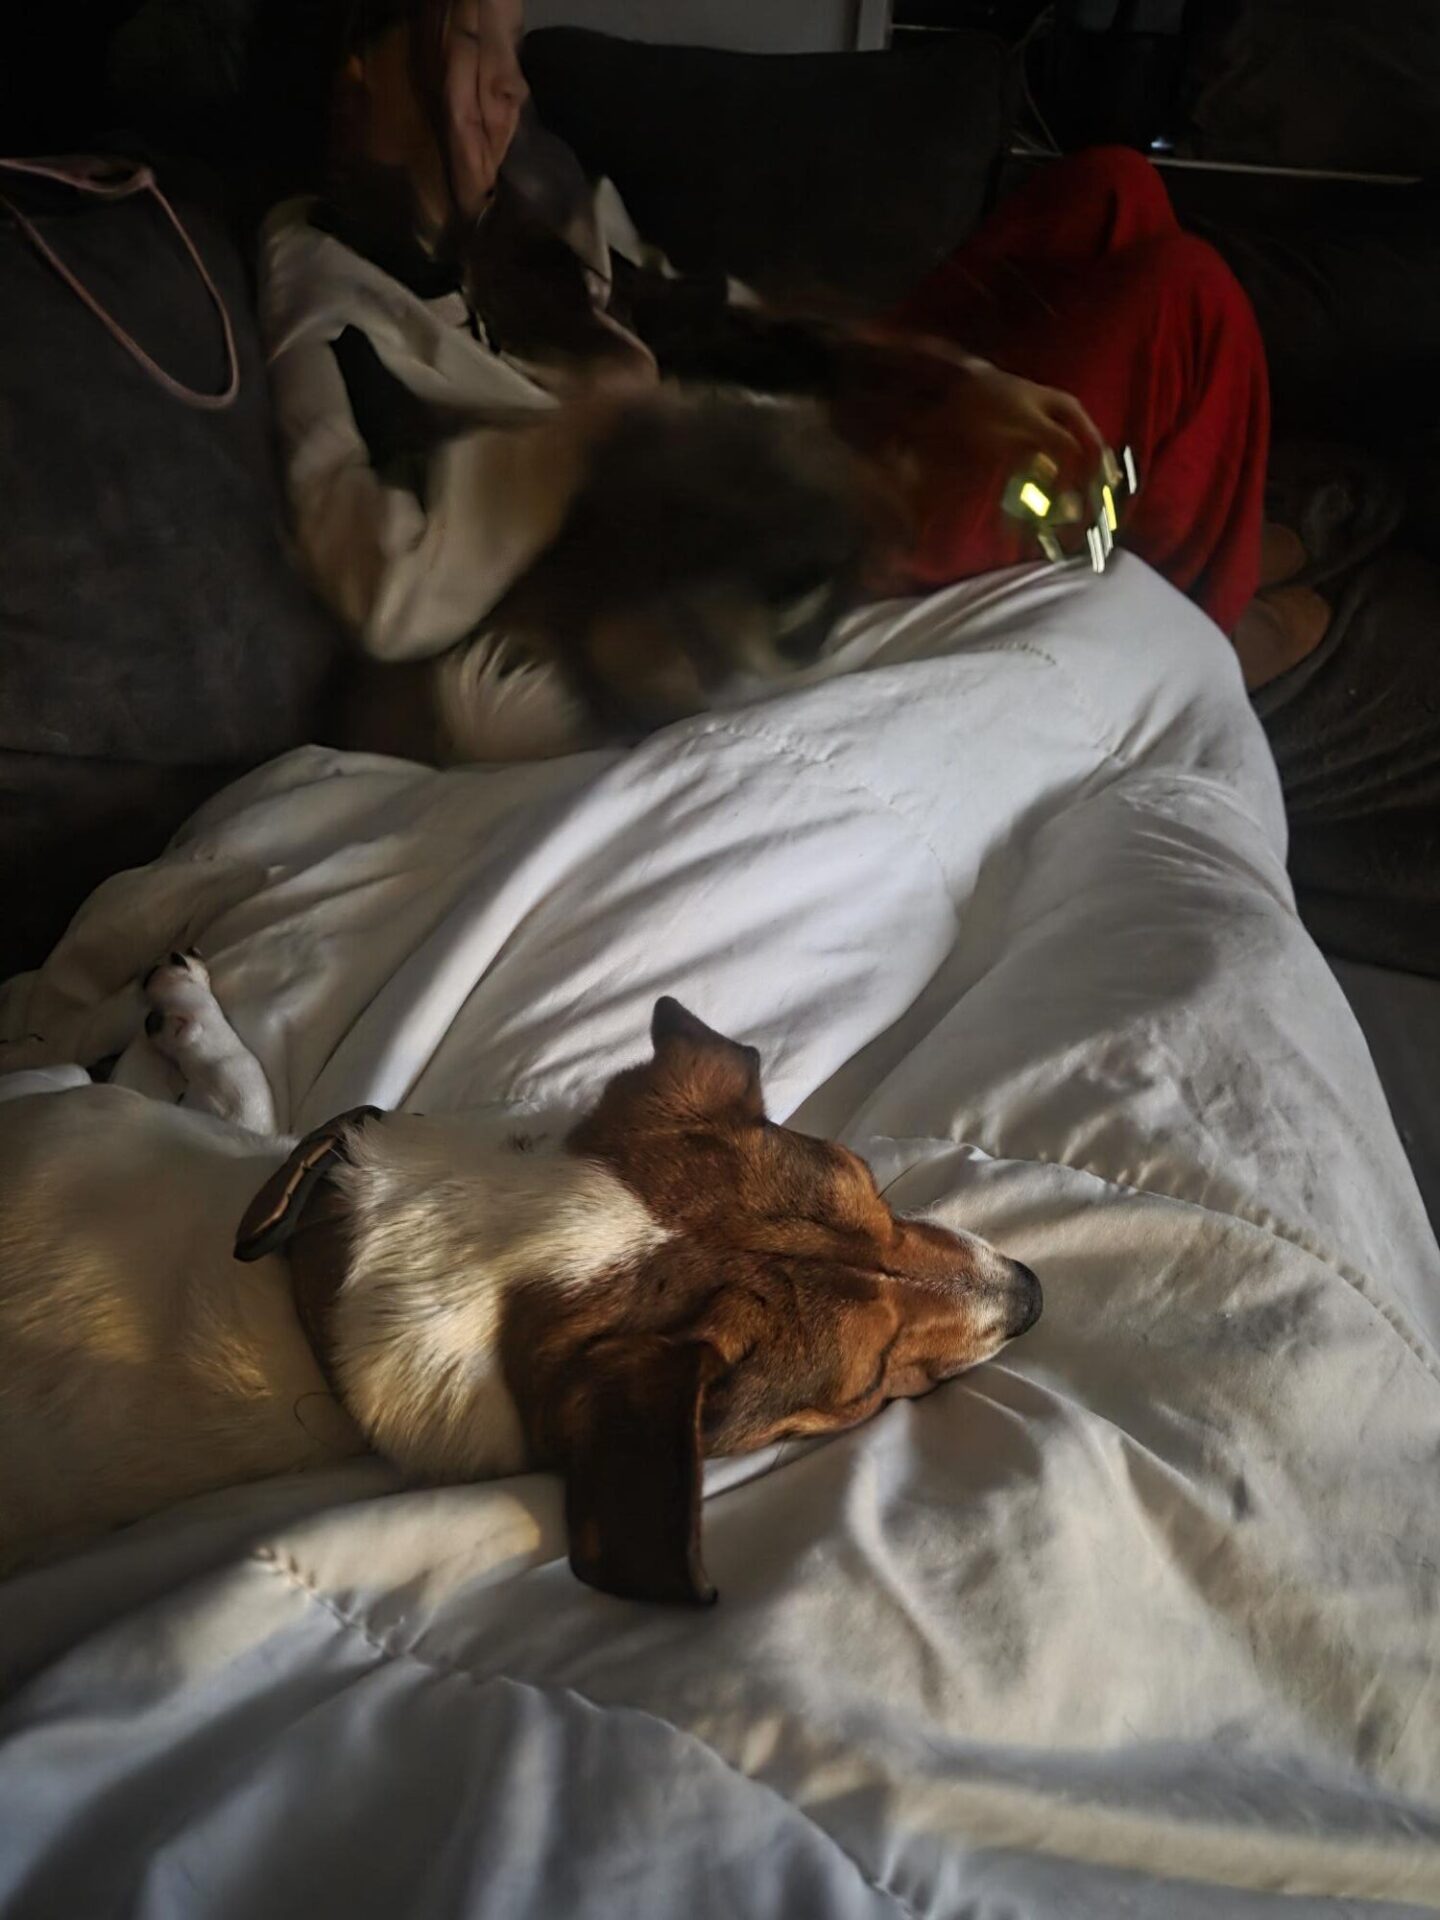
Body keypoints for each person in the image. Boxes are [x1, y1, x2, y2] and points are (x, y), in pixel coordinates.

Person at [259, 0, 1318, 755]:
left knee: (1113, 187)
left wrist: (946, 380)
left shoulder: (518, 210)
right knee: (1185, 300)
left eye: (514, 43)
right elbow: (382, 584)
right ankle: (1192, 629)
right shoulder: (330, 291)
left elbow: (709, 318)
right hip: (768, 537)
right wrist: (600, 437)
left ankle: (1161, 528)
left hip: (782, 433)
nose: (513, 82)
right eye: (472, 40)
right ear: (360, 70)